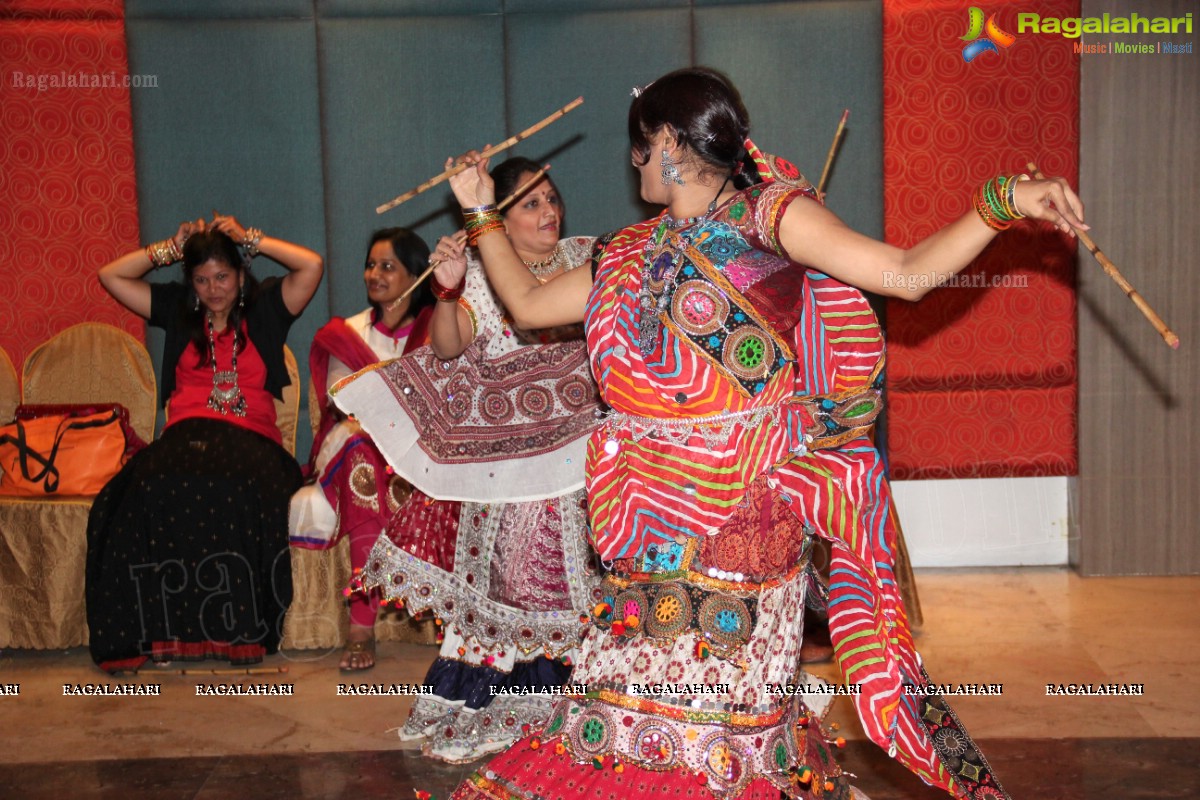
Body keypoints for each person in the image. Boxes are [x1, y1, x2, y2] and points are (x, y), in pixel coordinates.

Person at [426, 67, 1085, 799]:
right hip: (638, 525)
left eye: (639, 149)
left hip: (741, 513)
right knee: (623, 725)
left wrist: (1004, 202)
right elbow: (524, 301)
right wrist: (481, 213)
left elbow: (903, 274)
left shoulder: (768, 217)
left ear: (669, 143)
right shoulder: (627, 250)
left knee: (718, 743)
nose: (635, 164)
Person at [336, 157, 602, 762]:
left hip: (585, 447)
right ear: (496, 221)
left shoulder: (584, 258)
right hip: (506, 459)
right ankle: (510, 701)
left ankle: (585, 698)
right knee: (513, 561)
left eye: (552, 199)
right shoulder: (479, 273)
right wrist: (449, 288)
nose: (549, 213)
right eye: (531, 204)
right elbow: (449, 348)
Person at [87, 215, 323, 673]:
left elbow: (311, 265)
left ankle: (237, 631)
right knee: (138, 491)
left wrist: (249, 238)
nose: (214, 289)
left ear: (240, 274)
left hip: (253, 443)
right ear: (190, 283)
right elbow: (109, 275)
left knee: (234, 486)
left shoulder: (266, 307)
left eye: (222, 276)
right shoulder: (178, 310)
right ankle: (153, 633)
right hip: (185, 438)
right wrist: (168, 250)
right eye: (201, 279)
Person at [289, 227, 460, 671]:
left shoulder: (437, 329)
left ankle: (452, 622)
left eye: (388, 266)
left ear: (417, 275)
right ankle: (360, 628)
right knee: (367, 459)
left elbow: (441, 401)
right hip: (353, 444)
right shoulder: (346, 333)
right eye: (370, 264)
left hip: (419, 446)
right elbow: (344, 404)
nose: (374, 274)